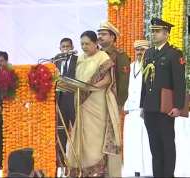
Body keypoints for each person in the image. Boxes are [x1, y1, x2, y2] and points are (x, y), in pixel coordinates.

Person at [67, 31, 121, 177]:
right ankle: (82, 169)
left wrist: (91, 87)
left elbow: (108, 80)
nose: (84, 47)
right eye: (82, 44)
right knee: (82, 137)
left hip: (97, 102)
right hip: (82, 102)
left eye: (87, 44)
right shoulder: (80, 58)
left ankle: (98, 170)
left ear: (95, 43)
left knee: (95, 139)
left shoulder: (103, 56)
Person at [140, 18, 186, 177]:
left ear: (166, 34)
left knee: (167, 144)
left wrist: (178, 106)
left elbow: (180, 82)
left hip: (166, 108)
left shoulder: (174, 53)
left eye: (157, 31)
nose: (153, 34)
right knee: (154, 146)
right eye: (152, 31)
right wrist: (142, 105)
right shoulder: (149, 52)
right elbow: (144, 82)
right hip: (150, 107)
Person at [123, 40, 152, 176]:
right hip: (131, 109)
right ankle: (134, 170)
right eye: (137, 50)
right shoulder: (131, 66)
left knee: (145, 140)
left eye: (142, 49)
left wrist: (146, 106)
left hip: (145, 109)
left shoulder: (152, 66)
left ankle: (147, 170)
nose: (139, 52)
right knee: (132, 140)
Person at [54, 38, 77, 168]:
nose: (65, 49)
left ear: (72, 47)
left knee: (76, 130)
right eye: (63, 47)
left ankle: (77, 159)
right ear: (59, 48)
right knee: (61, 132)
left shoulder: (77, 60)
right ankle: (62, 161)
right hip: (60, 101)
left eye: (68, 46)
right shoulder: (55, 61)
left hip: (73, 99)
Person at [97, 21, 130, 109]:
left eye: (103, 34)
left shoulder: (120, 55)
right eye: (99, 34)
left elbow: (124, 82)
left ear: (112, 37)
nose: (100, 37)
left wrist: (120, 102)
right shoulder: (95, 54)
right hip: (95, 99)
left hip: (111, 99)